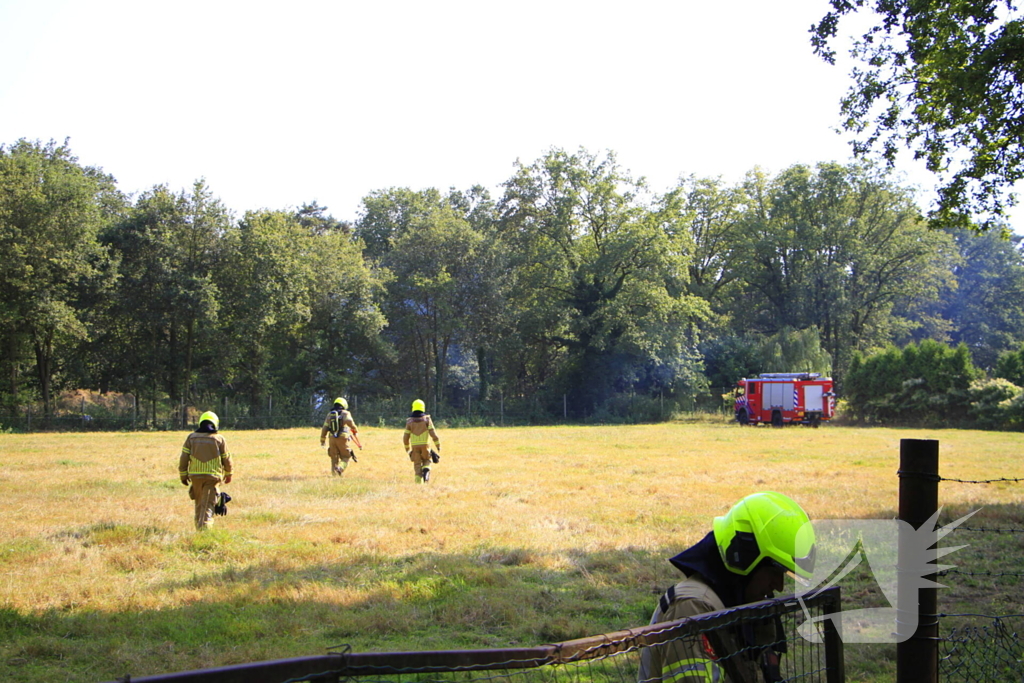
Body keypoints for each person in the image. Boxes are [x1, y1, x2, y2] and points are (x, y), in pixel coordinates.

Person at [638, 492, 815, 683]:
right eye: (774, 572)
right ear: (745, 558)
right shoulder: (692, 607)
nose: (779, 587)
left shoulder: (736, 601)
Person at [178, 411, 233, 531]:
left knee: (199, 505)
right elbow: (226, 458)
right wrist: (229, 473)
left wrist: (183, 475)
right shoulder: (219, 439)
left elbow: (184, 457)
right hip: (212, 477)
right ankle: (204, 534)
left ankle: (199, 529)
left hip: (195, 477)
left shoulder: (191, 438)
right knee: (207, 505)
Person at [403, 399, 441, 483]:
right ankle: (426, 470)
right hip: (425, 445)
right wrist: (438, 445)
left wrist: (407, 449)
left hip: (414, 447)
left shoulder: (409, 421)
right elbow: (433, 433)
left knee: (417, 464)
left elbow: (405, 437)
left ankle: (418, 483)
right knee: (427, 459)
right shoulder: (427, 419)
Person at [320, 397, 359, 476]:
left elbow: (324, 428)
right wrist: (355, 429)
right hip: (342, 437)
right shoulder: (345, 413)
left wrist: (322, 440)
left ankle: (334, 475)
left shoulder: (330, 414)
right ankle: (340, 468)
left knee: (334, 457)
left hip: (331, 438)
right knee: (346, 456)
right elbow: (349, 421)